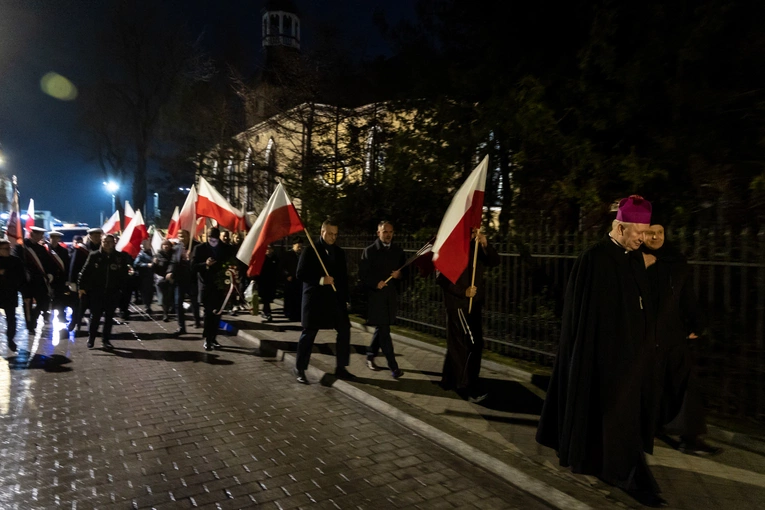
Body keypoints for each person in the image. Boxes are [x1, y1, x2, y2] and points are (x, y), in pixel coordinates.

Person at [536, 195, 665, 508]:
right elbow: (582, 318)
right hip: (602, 355)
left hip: (631, 356)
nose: (644, 239)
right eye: (638, 233)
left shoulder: (633, 256)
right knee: (612, 416)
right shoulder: (594, 259)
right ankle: (625, 474)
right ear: (620, 228)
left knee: (621, 418)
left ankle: (617, 467)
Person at [642, 224, 721, 457]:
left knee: (684, 384)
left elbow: (685, 296)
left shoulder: (676, 260)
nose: (655, 237)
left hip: (672, 334)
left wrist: (697, 323)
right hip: (643, 334)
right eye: (650, 232)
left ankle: (690, 438)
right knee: (649, 383)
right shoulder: (635, 260)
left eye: (660, 232)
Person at [437, 229, 500, 401]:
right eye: (470, 228)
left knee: (459, 343)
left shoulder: (477, 246)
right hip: (458, 304)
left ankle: (449, 380)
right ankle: (466, 386)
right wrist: (463, 291)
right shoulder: (451, 247)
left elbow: (494, 261)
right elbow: (441, 278)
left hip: (474, 303)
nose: (473, 231)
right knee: (471, 343)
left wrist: (486, 244)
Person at [294, 220, 353, 384]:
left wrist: (346, 298)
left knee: (344, 330)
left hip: (335, 301)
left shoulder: (339, 252)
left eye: (336, 234)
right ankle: (300, 367)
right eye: (330, 234)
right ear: (322, 232)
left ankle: (341, 367)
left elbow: (343, 278)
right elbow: (301, 274)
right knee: (309, 334)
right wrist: (321, 280)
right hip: (315, 301)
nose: (333, 237)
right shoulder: (310, 250)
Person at [359, 221, 406, 378]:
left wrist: (400, 276)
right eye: (385, 231)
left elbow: (405, 272)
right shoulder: (369, 251)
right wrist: (375, 282)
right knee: (385, 331)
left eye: (390, 232)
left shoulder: (398, 251)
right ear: (378, 233)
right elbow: (363, 274)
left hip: (390, 297)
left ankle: (370, 356)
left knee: (382, 329)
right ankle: (394, 367)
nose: (388, 234)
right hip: (376, 298)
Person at [78, 234, 129, 350]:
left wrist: (121, 289)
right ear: (101, 242)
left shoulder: (119, 257)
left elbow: (124, 274)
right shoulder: (94, 255)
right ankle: (91, 338)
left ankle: (106, 340)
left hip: (112, 293)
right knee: (95, 317)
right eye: (105, 241)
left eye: (110, 242)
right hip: (97, 293)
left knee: (109, 318)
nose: (107, 244)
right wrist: (81, 287)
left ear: (114, 243)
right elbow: (85, 272)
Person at [192, 227, 235, 351]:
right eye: (211, 238)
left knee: (218, 313)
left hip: (220, 286)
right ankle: (207, 339)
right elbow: (193, 266)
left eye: (215, 239)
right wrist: (205, 264)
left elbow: (232, 262)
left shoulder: (226, 248)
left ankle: (214, 337)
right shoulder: (199, 249)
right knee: (208, 313)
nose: (213, 241)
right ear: (207, 237)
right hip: (206, 286)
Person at [14, 226, 55, 331]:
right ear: (32, 234)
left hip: (39, 281)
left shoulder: (41, 248)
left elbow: (47, 263)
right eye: (39, 234)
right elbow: (16, 263)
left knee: (44, 302)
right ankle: (29, 325)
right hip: (25, 281)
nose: (41, 236)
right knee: (27, 304)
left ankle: (33, 318)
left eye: (41, 234)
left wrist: (50, 273)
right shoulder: (21, 247)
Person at [166, 229, 201, 335]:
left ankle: (197, 320)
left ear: (188, 236)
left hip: (192, 279)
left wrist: (191, 259)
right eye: (180, 235)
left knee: (195, 302)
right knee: (178, 303)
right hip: (180, 280)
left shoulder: (197, 247)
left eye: (184, 235)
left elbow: (200, 262)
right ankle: (181, 327)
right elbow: (173, 262)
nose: (182, 238)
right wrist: (170, 271)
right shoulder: (176, 248)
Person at [0, 238, 25, 352]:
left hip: (10, 293)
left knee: (11, 319)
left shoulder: (15, 261)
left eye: (9, 248)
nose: (8, 250)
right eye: (5, 248)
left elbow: (21, 277)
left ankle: (10, 339)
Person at [67, 235, 92, 332]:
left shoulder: (88, 249)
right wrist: (71, 281)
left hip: (90, 282)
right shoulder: (74, 251)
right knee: (78, 306)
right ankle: (75, 323)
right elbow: (72, 266)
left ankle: (90, 328)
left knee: (90, 307)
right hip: (78, 282)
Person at [46, 231, 71, 317]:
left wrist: (68, 279)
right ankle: (47, 315)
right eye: (52, 237)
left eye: (56, 238)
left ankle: (61, 315)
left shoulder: (64, 251)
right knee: (48, 297)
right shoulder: (45, 249)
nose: (54, 239)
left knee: (61, 297)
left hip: (60, 278)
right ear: (50, 238)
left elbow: (67, 265)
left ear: (59, 239)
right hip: (48, 278)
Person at [256, 245, 281, 321]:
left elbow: (278, 269)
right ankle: (267, 312)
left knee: (269, 297)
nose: (268, 250)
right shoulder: (262, 258)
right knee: (265, 297)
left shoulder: (275, 258)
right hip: (263, 281)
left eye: (269, 248)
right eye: (266, 248)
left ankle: (266, 311)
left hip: (272, 281)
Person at [281, 239, 303, 322]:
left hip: (298, 280)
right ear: (293, 245)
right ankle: (289, 313)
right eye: (298, 246)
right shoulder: (287, 254)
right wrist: (287, 275)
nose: (300, 248)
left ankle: (297, 314)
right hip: (290, 279)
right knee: (289, 297)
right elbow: (282, 267)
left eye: (301, 247)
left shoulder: (301, 255)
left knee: (298, 297)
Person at [153, 239, 175, 322]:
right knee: (164, 298)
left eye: (167, 244)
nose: (166, 246)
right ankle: (165, 314)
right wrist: (154, 264)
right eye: (164, 245)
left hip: (172, 278)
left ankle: (170, 308)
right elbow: (154, 270)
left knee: (170, 296)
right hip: (162, 279)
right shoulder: (158, 255)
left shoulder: (174, 254)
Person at [134, 239, 155, 315]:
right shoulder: (141, 254)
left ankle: (148, 304)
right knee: (146, 292)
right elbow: (136, 264)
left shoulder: (152, 253)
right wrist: (146, 265)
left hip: (152, 276)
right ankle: (147, 306)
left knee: (151, 292)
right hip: (144, 276)